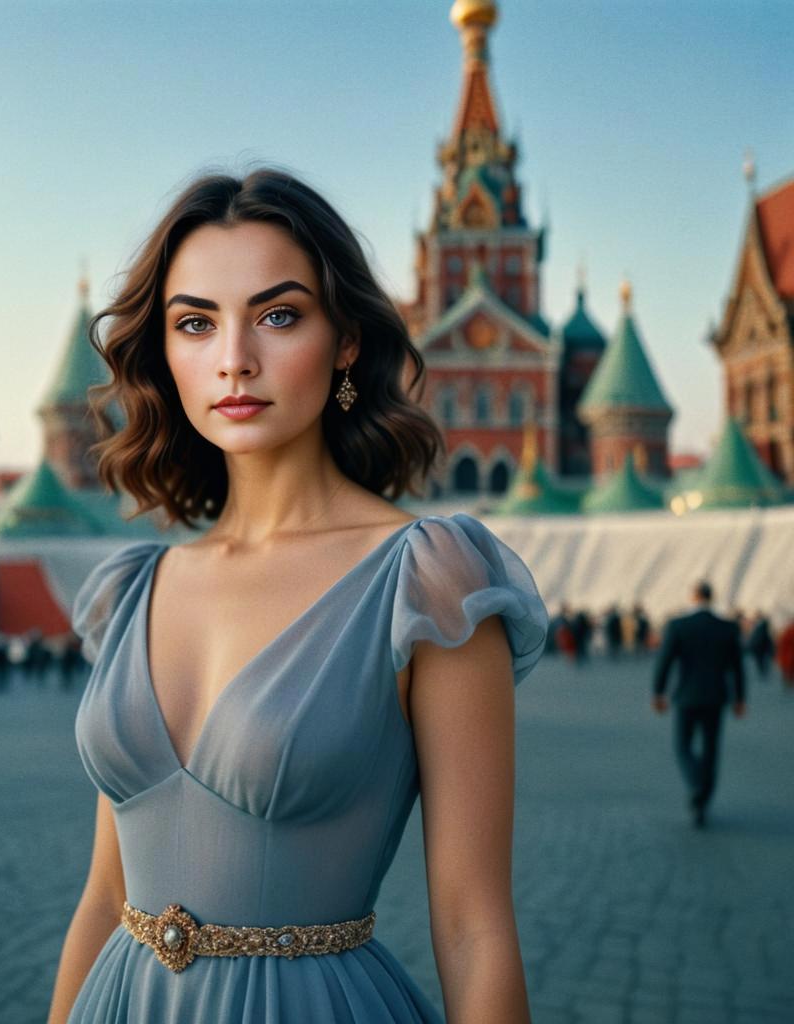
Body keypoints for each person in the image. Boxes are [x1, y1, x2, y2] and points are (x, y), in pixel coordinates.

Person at [47, 168, 548, 1024]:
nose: (235, 358)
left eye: (278, 316)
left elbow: (472, 926)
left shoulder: (428, 580)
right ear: (165, 355)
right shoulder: (134, 586)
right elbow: (101, 899)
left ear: (346, 340)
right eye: (196, 323)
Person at [652, 580, 746, 828]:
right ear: (711, 597)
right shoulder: (727, 627)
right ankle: (703, 799)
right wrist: (740, 698)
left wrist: (658, 693)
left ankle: (696, 784)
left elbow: (665, 661)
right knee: (711, 749)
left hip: (686, 696)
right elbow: (737, 667)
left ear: (694, 597)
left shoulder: (679, 625)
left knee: (683, 745)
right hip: (716, 697)